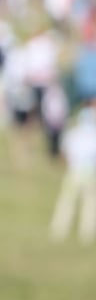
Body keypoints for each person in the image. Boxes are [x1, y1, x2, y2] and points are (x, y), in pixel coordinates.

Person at [49, 101, 96, 244]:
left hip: (75, 171)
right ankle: (87, 232)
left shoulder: (74, 133)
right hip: (88, 171)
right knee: (89, 203)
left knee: (68, 201)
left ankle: (59, 229)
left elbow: (64, 153)